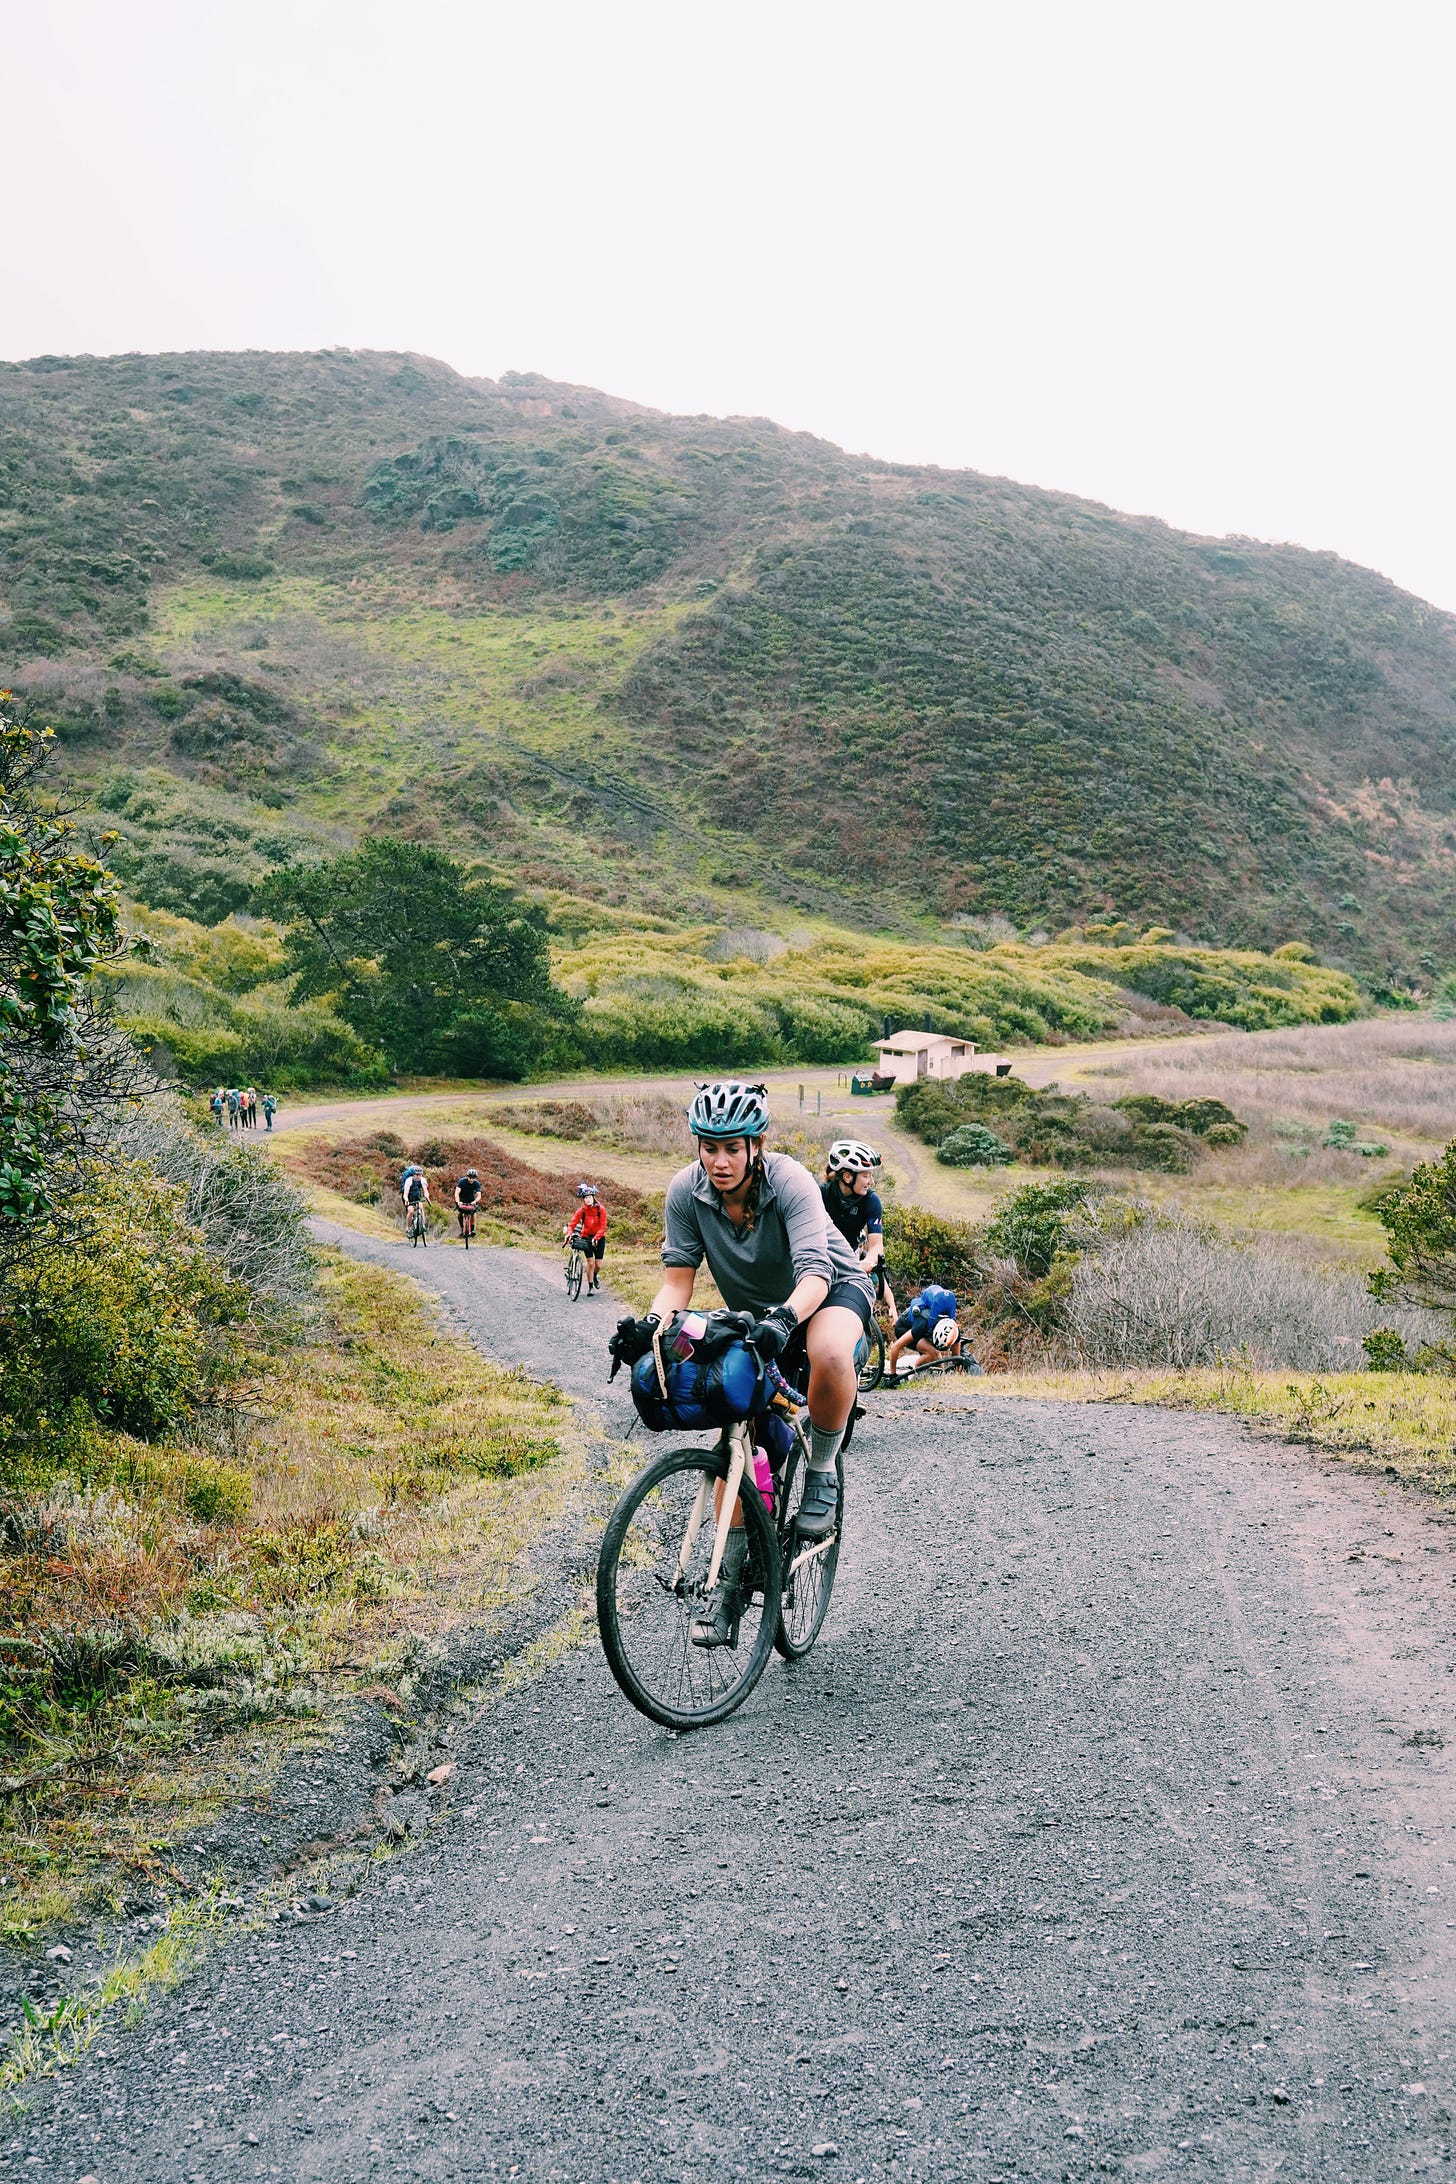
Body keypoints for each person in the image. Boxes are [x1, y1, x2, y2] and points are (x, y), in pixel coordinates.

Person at [608, 1080, 872, 1647]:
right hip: (755, 1316)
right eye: (709, 1147)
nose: (720, 1161)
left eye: (733, 1147)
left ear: (757, 1144)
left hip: (827, 1294)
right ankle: (732, 1584)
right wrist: (650, 1326)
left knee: (827, 1351)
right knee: (742, 1440)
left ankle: (822, 1469)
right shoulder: (686, 1192)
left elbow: (817, 1273)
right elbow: (677, 1282)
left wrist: (784, 1320)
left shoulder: (792, 1182)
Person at [887, 1280, 961, 1376]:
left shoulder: (954, 1332)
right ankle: (915, 1374)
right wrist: (893, 1374)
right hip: (904, 1327)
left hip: (927, 1326)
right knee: (932, 1353)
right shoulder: (923, 1323)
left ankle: (941, 1378)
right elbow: (895, 1348)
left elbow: (957, 1360)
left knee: (937, 1356)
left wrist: (957, 1375)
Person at [565, 1183, 607, 1293]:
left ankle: (594, 1276)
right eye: (585, 1198)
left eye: (589, 1197)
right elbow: (572, 1223)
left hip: (599, 1239)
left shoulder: (601, 1210)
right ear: (583, 1199)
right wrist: (569, 1233)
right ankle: (590, 1287)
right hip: (586, 1238)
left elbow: (603, 1227)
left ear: (593, 1198)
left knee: (598, 1265)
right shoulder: (582, 1210)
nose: (588, 1200)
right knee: (591, 1263)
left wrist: (596, 1238)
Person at [454, 1166, 482, 1238]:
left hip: (471, 1200)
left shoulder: (477, 1183)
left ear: (475, 1178)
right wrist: (458, 1201)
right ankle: (462, 1229)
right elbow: (457, 1193)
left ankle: (472, 1229)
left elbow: (479, 1195)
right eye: (470, 1177)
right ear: (467, 1176)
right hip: (462, 1199)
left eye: (473, 1178)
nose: (471, 1179)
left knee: (473, 1212)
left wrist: (475, 1201)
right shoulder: (462, 1181)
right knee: (459, 1215)